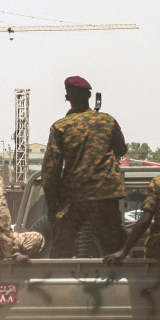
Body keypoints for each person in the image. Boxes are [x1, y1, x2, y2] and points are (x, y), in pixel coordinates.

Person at [42, 75, 128, 258]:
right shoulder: (107, 121)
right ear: (89, 96)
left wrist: (52, 206)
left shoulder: (60, 127)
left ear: (68, 97)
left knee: (61, 250)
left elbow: (51, 170)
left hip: (73, 196)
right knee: (115, 249)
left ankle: (57, 284)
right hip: (105, 193)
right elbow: (121, 149)